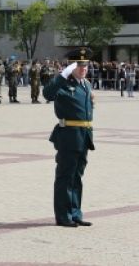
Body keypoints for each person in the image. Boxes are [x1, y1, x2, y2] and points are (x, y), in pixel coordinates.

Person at [43, 48, 95, 228]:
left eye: (86, 65)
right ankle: (63, 216)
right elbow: (47, 94)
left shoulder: (86, 85)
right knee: (65, 176)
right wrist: (61, 76)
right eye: (79, 65)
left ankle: (75, 213)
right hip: (68, 136)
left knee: (77, 177)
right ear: (72, 66)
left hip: (84, 136)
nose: (83, 69)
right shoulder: (63, 83)